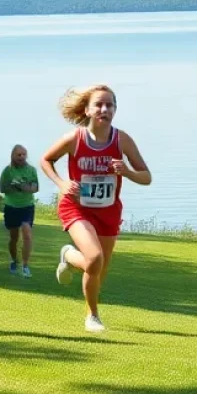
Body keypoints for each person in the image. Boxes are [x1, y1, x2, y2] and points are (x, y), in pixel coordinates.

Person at [40, 84, 152, 333]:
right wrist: (62, 183)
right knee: (95, 258)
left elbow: (147, 177)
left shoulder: (121, 140)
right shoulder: (75, 139)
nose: (105, 109)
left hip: (109, 210)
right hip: (76, 208)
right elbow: (46, 160)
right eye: (99, 105)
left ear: (115, 109)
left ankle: (68, 256)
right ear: (88, 110)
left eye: (110, 105)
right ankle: (92, 316)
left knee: (99, 269)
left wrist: (127, 172)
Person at [0, 144, 39, 276]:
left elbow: (35, 187)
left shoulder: (31, 170)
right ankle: (14, 260)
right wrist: (16, 187)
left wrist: (24, 187)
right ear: (13, 156)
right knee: (14, 237)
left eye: (23, 154)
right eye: (19, 155)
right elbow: (3, 189)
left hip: (27, 206)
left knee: (27, 233)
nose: (21, 157)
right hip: (11, 207)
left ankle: (25, 265)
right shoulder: (7, 171)